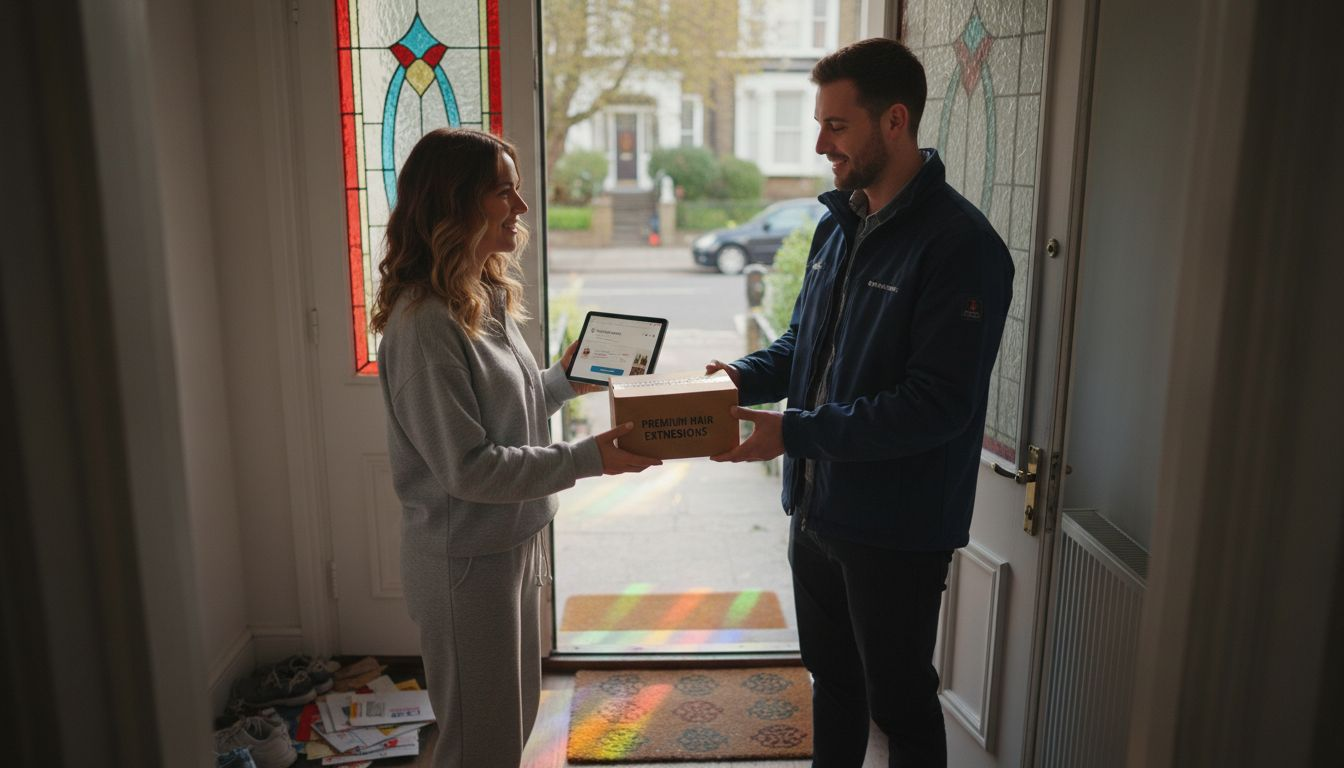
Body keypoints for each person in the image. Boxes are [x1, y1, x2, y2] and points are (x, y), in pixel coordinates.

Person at [707, 38, 1013, 766]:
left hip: (895, 532)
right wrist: (735, 381)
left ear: (895, 121)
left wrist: (791, 432)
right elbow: (803, 345)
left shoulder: (960, 246)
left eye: (836, 126)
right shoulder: (836, 224)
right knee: (834, 686)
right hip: (815, 511)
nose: (819, 144)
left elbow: (934, 407)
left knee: (901, 706)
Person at [371, 128, 660, 768]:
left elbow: (502, 418)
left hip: (514, 543)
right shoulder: (424, 327)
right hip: (466, 564)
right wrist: (591, 458)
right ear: (457, 204)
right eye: (505, 192)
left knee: (512, 723)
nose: (522, 208)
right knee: (480, 744)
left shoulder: (482, 296)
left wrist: (561, 382)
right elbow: (468, 469)